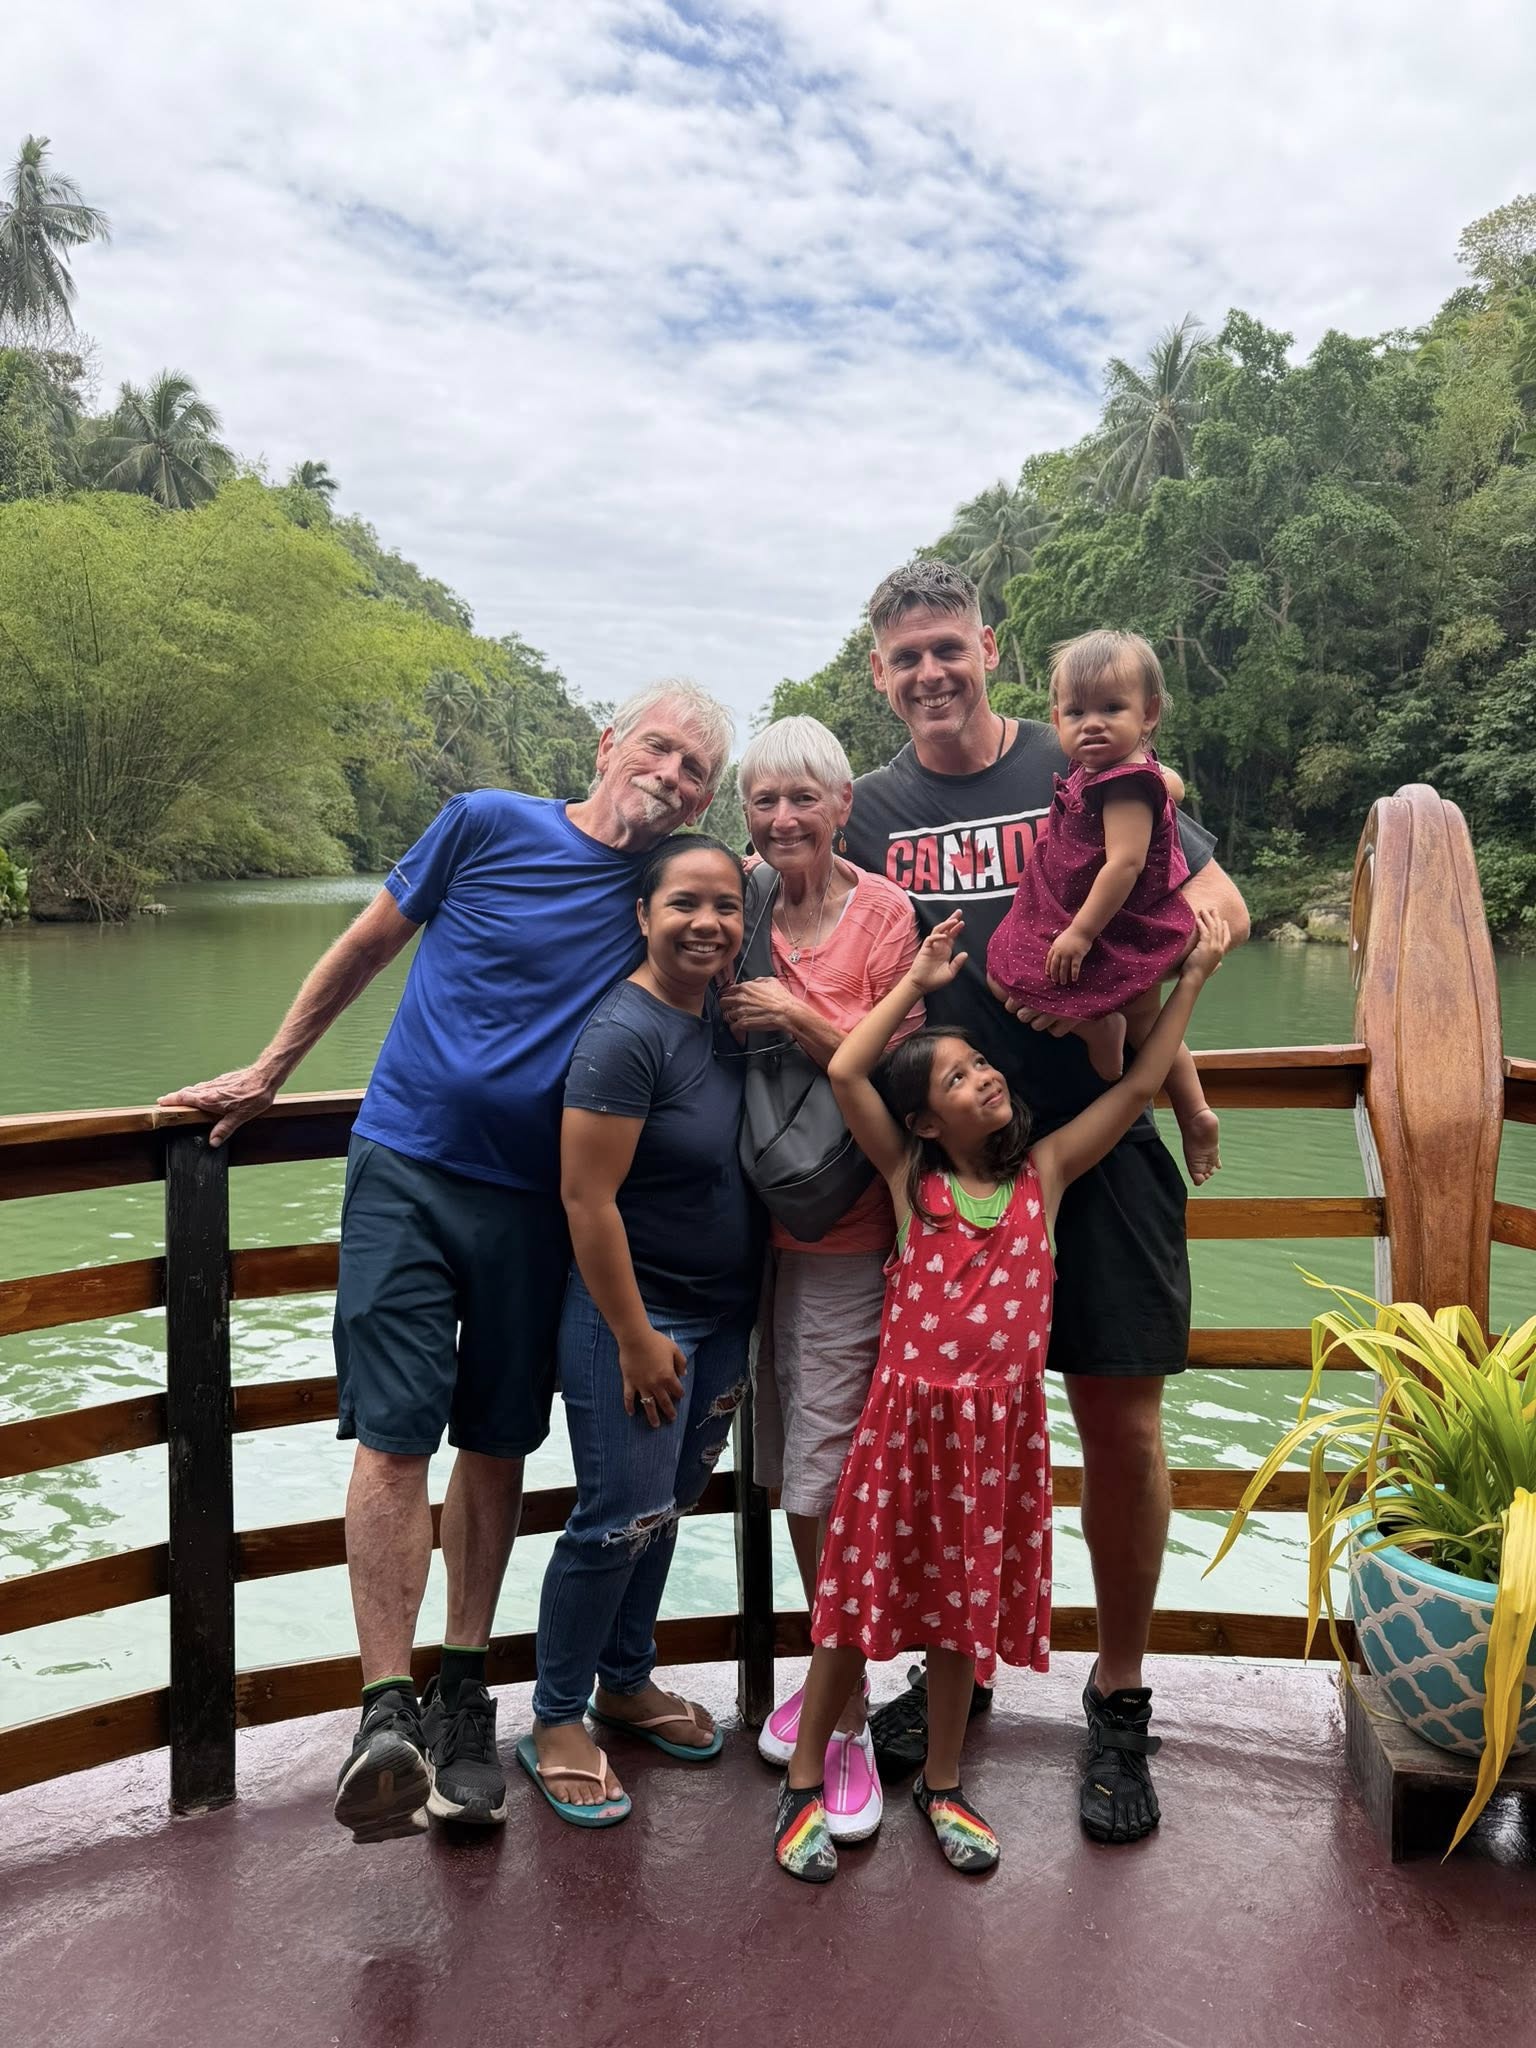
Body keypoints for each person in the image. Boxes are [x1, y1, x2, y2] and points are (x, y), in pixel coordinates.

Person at [158, 681, 734, 1844]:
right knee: (393, 1430)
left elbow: (808, 854)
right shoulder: (483, 820)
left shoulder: (663, 887)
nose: (672, 777)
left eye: (697, 772)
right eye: (661, 747)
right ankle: (385, 1709)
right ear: (608, 741)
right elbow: (369, 943)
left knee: (497, 1436)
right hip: (408, 1164)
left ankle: (464, 1687)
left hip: (537, 1203)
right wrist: (269, 1068)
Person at [840, 559, 1249, 1846]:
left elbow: (1211, 901)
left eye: (948, 648)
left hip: (1095, 1147)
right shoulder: (868, 808)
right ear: (879, 674)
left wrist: (1173, 988)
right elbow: (811, 932)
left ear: (989, 648)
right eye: (905, 657)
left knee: (1119, 1427)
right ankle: (946, 1672)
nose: (930, 674)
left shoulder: (1083, 764)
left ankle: (1119, 1697)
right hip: (953, 1173)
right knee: (944, 1436)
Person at [773, 903, 1232, 1881]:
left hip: (994, 1441)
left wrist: (1190, 979)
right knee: (856, 1613)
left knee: (957, 1619)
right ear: (925, 1121)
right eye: (956, 1076)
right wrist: (918, 985)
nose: (984, 1077)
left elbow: (1142, 1080)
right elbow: (850, 1070)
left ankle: (943, 1781)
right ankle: (805, 1778)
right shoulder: (911, 1181)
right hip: (903, 1433)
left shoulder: (1046, 1175)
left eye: (982, 1065)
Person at [520, 834, 759, 1824]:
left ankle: (627, 1678)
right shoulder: (627, 1032)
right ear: (643, 913)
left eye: (727, 906)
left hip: (721, 1314)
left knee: (663, 1507)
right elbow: (586, 1197)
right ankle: (556, 1715)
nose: (707, 922)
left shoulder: (723, 1020)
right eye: (685, 903)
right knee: (614, 1514)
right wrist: (631, 1334)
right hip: (640, 1315)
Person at [715, 716, 921, 1844]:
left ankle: (841, 1710)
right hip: (742, 1230)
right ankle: (825, 1667)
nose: (783, 818)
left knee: (822, 1471)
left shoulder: (882, 913)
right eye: (762, 799)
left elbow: (900, 1066)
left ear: (846, 804)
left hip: (842, 1229)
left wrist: (801, 1012)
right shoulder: (736, 896)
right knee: (779, 1458)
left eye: (803, 797)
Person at [985, 629, 1222, 1185]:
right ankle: (1194, 1111)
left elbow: (1124, 865)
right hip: (1110, 924)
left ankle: (1098, 1033)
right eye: (1076, 712)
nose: (1091, 723)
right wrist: (1171, 782)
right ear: (1057, 717)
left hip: (1115, 927)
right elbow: (1169, 785)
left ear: (1149, 713)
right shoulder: (1118, 771)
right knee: (1145, 1024)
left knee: (1005, 974)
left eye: (1111, 708)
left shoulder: (1122, 786)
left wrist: (1080, 933)